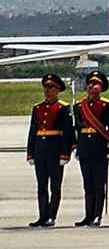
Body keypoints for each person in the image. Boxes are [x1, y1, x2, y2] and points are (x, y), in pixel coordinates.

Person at [26, 72, 75, 228]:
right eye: (46, 87)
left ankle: (51, 216)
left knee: (55, 186)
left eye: (50, 87)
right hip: (40, 150)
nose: (47, 90)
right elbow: (33, 131)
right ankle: (42, 216)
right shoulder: (37, 108)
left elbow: (67, 133)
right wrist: (30, 153)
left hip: (55, 150)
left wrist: (65, 154)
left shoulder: (63, 108)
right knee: (41, 186)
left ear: (57, 89)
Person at [72, 71, 109, 227]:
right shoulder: (79, 106)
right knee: (87, 185)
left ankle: (97, 215)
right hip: (85, 148)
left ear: (101, 88)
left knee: (98, 185)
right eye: (90, 83)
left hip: (99, 148)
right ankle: (88, 215)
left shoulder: (106, 106)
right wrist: (76, 147)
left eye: (95, 84)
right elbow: (76, 129)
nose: (91, 86)